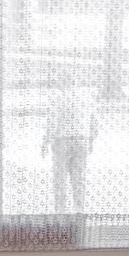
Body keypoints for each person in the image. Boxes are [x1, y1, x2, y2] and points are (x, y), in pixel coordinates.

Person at [42, 80, 98, 215]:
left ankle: (61, 212)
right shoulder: (87, 98)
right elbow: (95, 122)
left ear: (63, 83)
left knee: (60, 178)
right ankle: (79, 210)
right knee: (79, 178)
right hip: (82, 141)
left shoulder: (59, 99)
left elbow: (52, 122)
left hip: (62, 142)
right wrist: (91, 141)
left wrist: (45, 142)